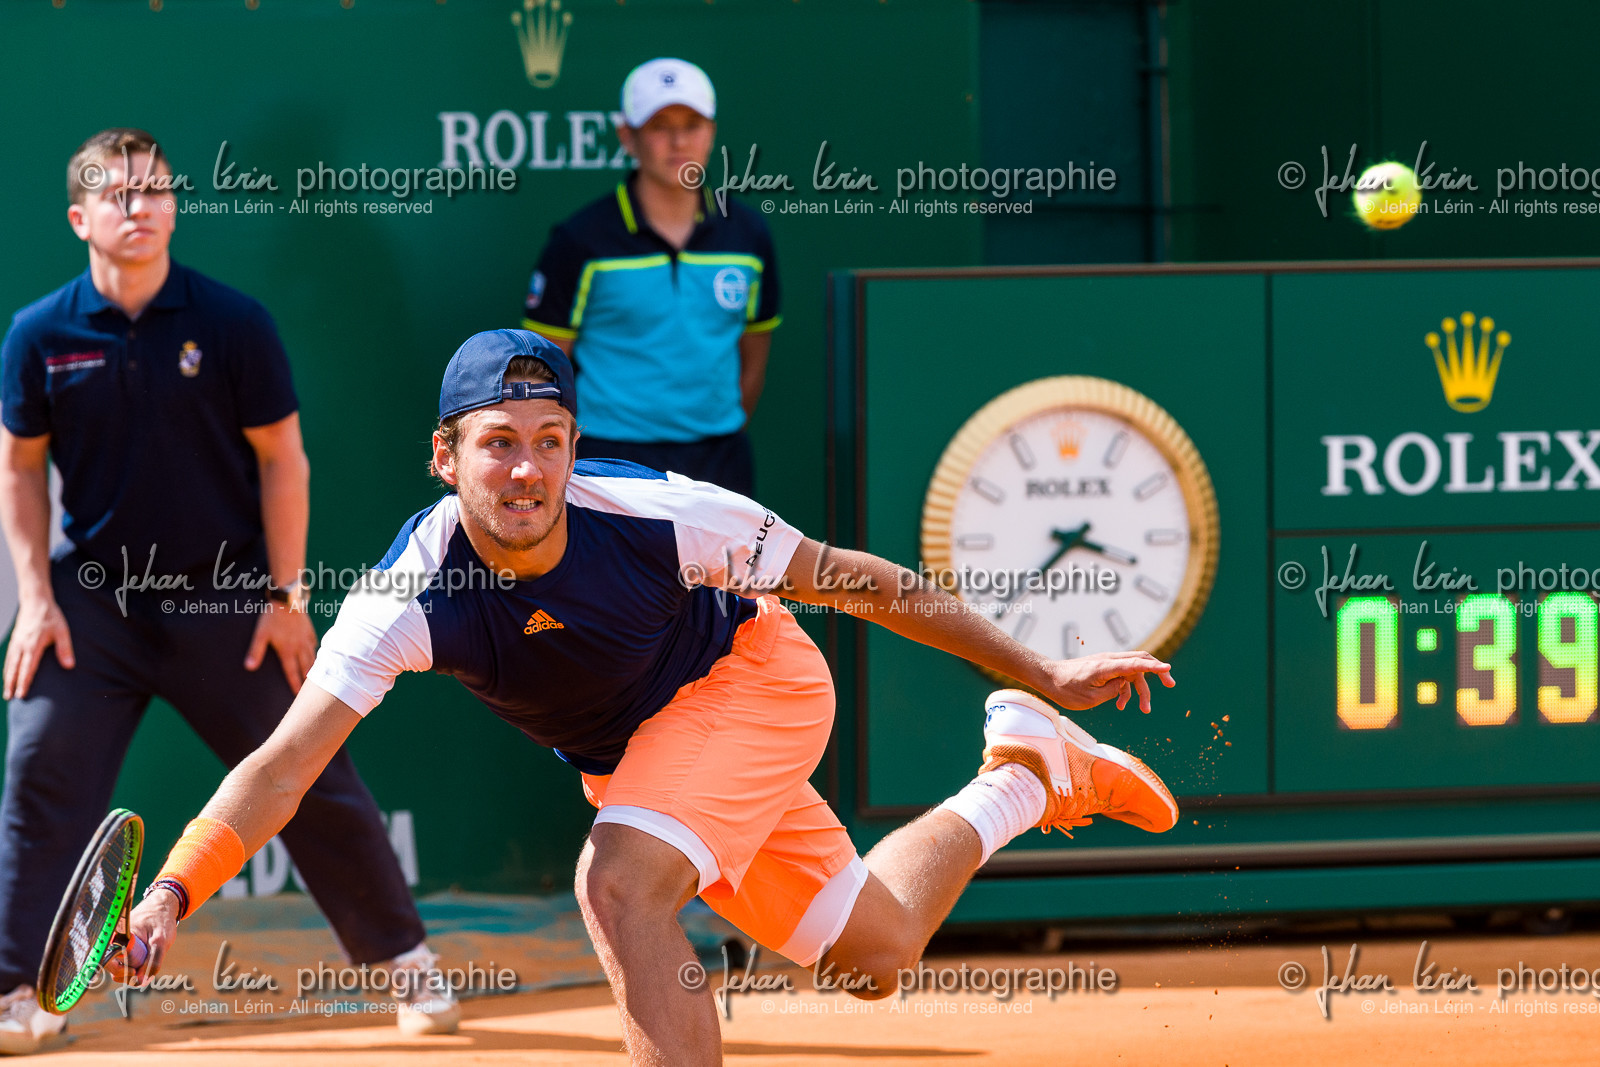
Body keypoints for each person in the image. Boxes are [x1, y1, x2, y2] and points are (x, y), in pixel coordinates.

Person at [126, 328, 1180, 1065]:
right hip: (642, 760)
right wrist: (173, 889)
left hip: (753, 682)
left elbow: (861, 581)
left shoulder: (659, 512)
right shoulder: (408, 594)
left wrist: (1036, 661)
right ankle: (1026, 773)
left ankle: (1031, 715)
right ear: (446, 458)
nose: (528, 468)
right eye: (498, 441)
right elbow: (283, 764)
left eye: (550, 437)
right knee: (872, 953)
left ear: (575, 446)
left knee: (618, 883)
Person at [0, 129, 456, 1055]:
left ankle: (409, 962)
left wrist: (287, 596)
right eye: (119, 195)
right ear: (80, 217)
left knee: (307, 767)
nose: (142, 207)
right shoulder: (38, 334)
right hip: (94, 604)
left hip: (225, 601)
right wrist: (34, 598)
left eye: (157, 191)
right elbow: (18, 470)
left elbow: (284, 459)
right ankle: (20, 990)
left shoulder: (235, 322)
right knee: (39, 766)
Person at [520, 57, 779, 496]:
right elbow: (545, 368)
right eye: (660, 126)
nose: (679, 141)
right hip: (609, 461)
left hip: (721, 461)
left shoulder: (748, 234)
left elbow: (753, 359)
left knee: (726, 571)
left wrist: (710, 425)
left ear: (711, 131)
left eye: (692, 124)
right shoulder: (580, 241)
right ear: (628, 136)